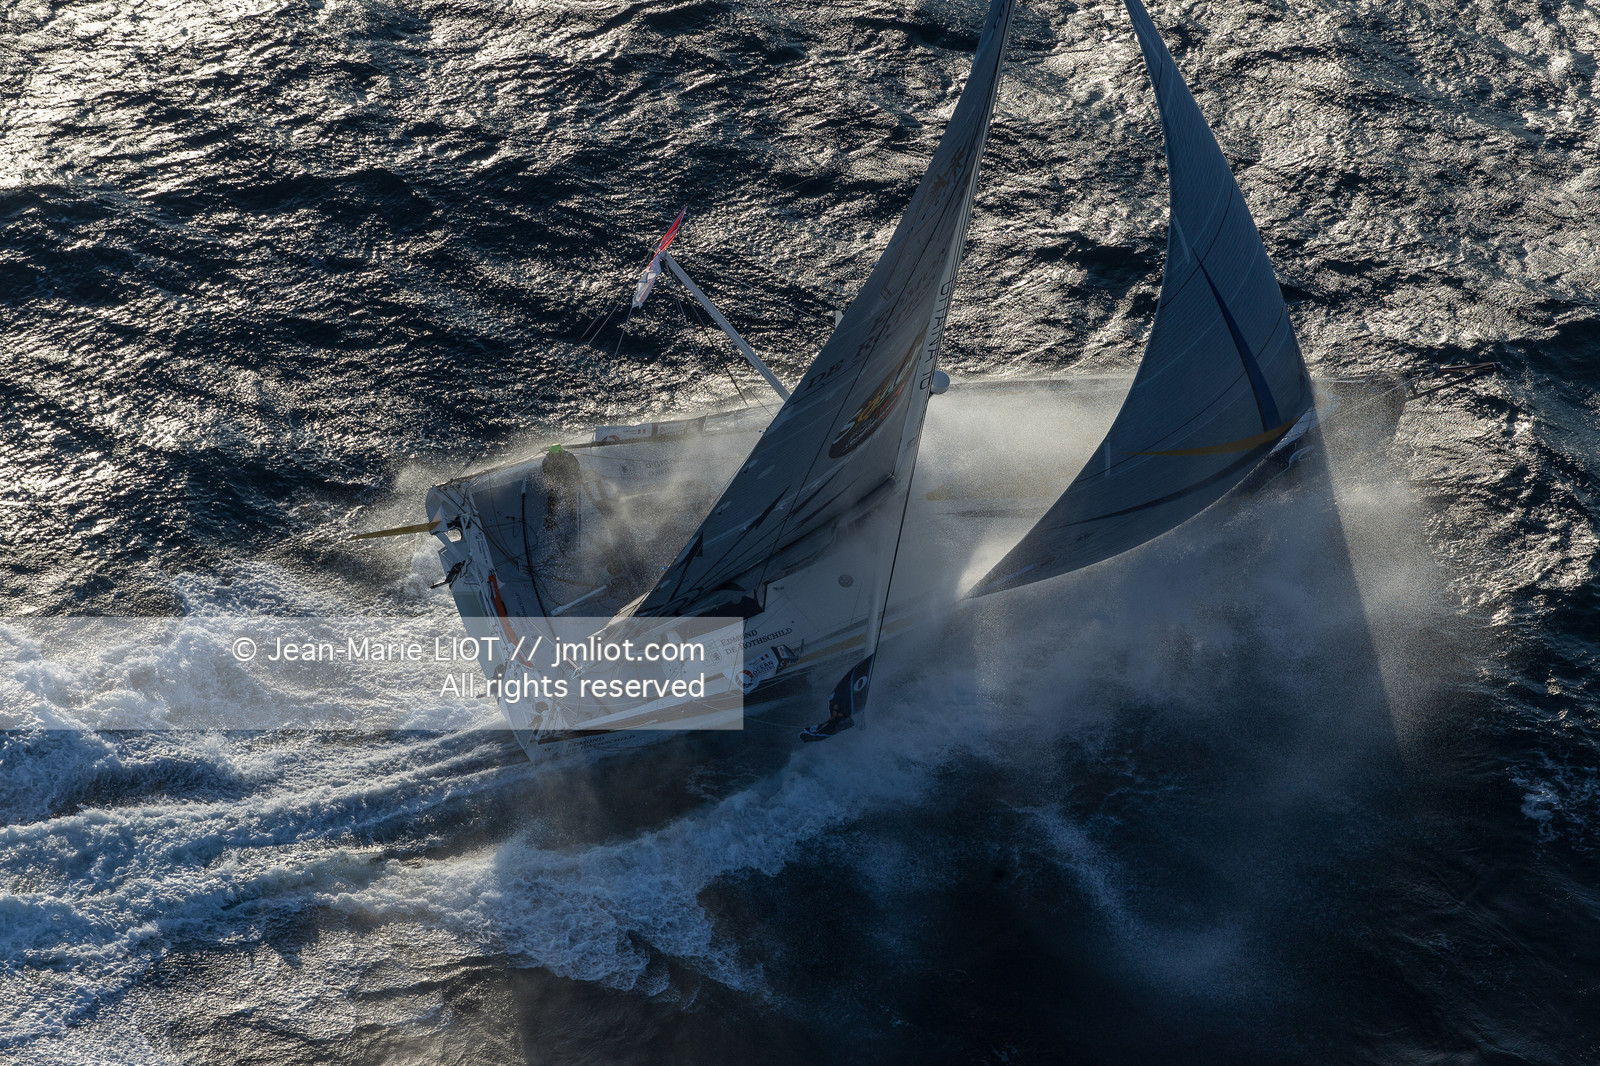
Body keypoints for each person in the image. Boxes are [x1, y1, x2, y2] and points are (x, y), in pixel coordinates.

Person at [542, 443, 582, 545]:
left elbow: (576, 467)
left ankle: (572, 512)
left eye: (557, 454)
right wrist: (549, 482)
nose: (555, 456)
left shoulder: (568, 456)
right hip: (555, 476)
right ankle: (550, 517)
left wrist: (578, 478)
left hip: (567, 474)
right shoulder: (547, 459)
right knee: (551, 495)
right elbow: (546, 472)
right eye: (554, 454)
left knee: (570, 492)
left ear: (561, 452)